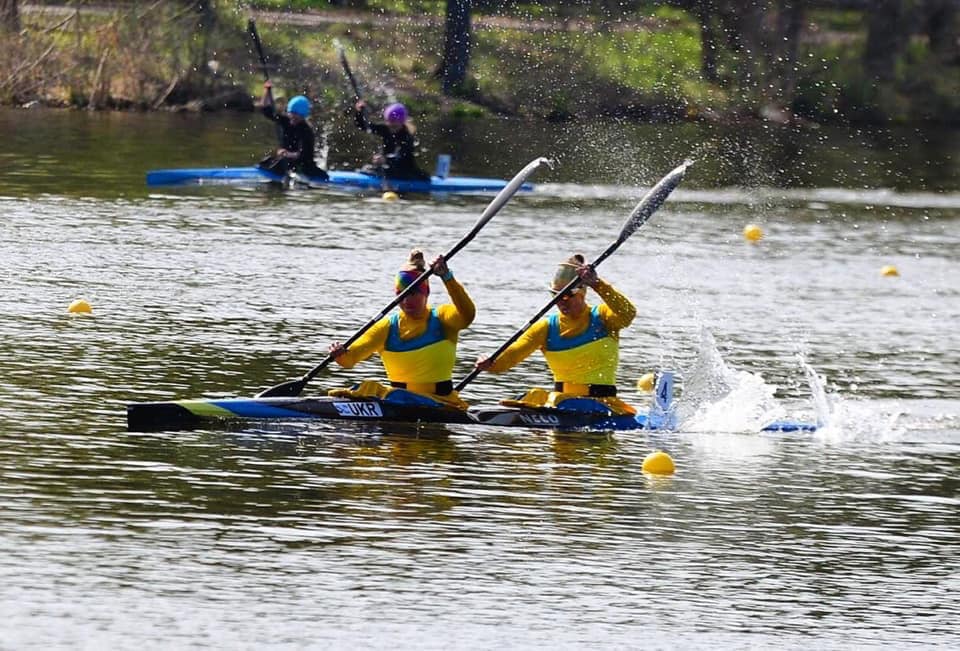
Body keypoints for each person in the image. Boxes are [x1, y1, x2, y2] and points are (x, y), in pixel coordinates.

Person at [476, 254, 638, 415]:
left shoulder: (603, 318)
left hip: (604, 405)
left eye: (566, 295)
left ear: (581, 293)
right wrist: (491, 362)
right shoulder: (546, 328)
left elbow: (628, 313)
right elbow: (512, 355)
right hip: (561, 404)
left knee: (558, 400)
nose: (561, 302)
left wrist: (597, 284)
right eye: (555, 296)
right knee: (534, 395)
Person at [327, 249, 475, 409]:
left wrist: (447, 278)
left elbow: (467, 315)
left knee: (391, 394)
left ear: (426, 293)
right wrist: (340, 354)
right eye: (401, 294)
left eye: (413, 293)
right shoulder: (386, 328)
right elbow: (350, 359)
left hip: (443, 403)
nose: (406, 301)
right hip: (397, 403)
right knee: (368, 386)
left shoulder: (442, 319)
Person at [258, 81, 328, 180]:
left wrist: (287, 154)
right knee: (266, 160)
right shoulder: (286, 121)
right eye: (291, 113)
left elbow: (303, 155)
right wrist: (267, 90)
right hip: (287, 161)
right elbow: (266, 110)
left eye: (296, 115)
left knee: (284, 161)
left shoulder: (306, 131)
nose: (292, 117)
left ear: (303, 115)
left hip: (303, 165)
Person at [354, 100, 430, 181]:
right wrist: (359, 112)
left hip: (404, 169)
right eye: (389, 122)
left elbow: (401, 157)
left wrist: (385, 160)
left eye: (394, 124)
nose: (391, 126)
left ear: (402, 122)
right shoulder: (385, 129)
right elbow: (363, 126)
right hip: (388, 167)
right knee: (366, 168)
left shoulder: (407, 137)